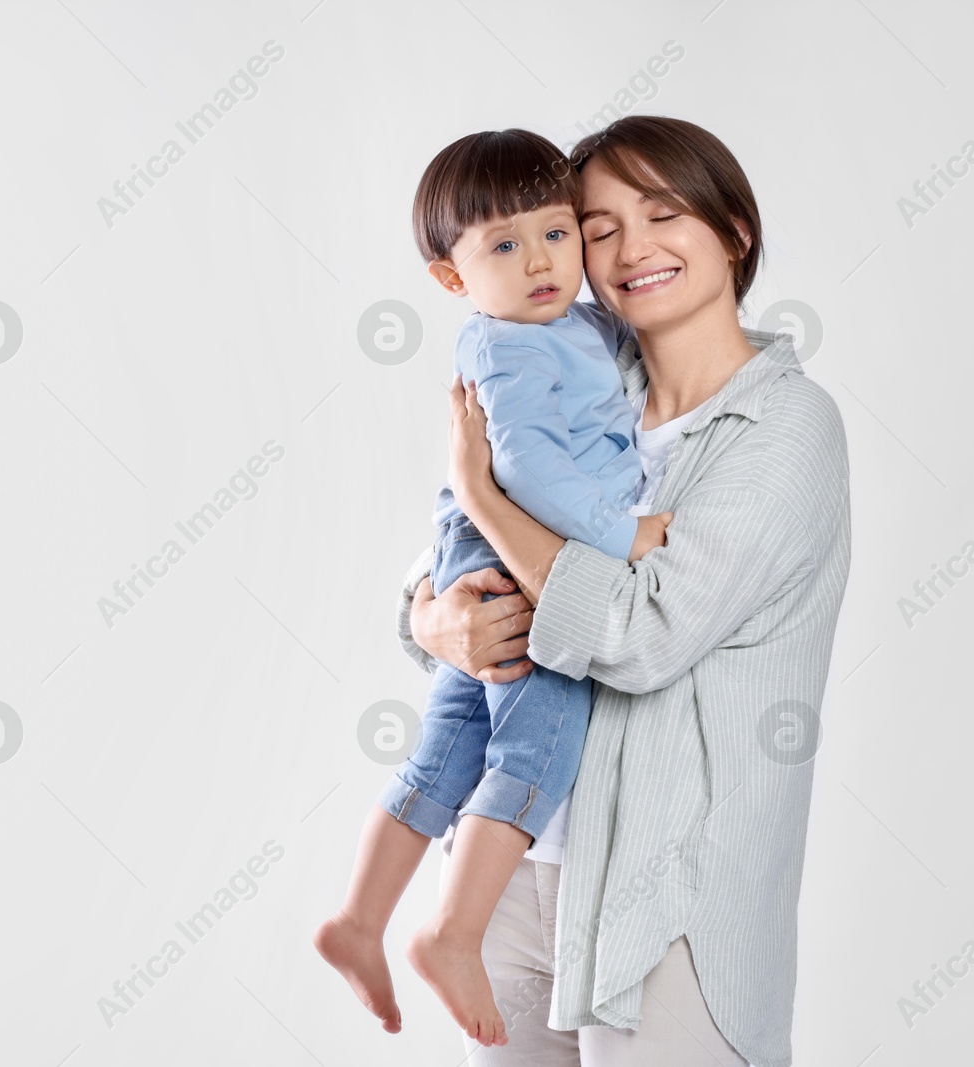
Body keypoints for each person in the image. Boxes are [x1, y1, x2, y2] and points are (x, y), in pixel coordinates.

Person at [397, 115, 852, 1066]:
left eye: (664, 213)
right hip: (521, 866)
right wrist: (428, 619)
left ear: (734, 231)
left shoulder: (783, 431)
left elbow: (639, 637)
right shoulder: (579, 376)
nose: (631, 248)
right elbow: (456, 559)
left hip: (669, 900)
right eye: (598, 226)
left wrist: (488, 489)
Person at [313, 128, 674, 1049]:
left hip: (473, 546)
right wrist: (623, 531)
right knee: (540, 737)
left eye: (558, 234)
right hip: (515, 544)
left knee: (452, 741)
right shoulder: (508, 344)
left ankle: (359, 918)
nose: (543, 262)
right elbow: (529, 471)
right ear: (451, 277)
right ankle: (454, 930)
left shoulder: (573, 326)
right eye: (504, 247)